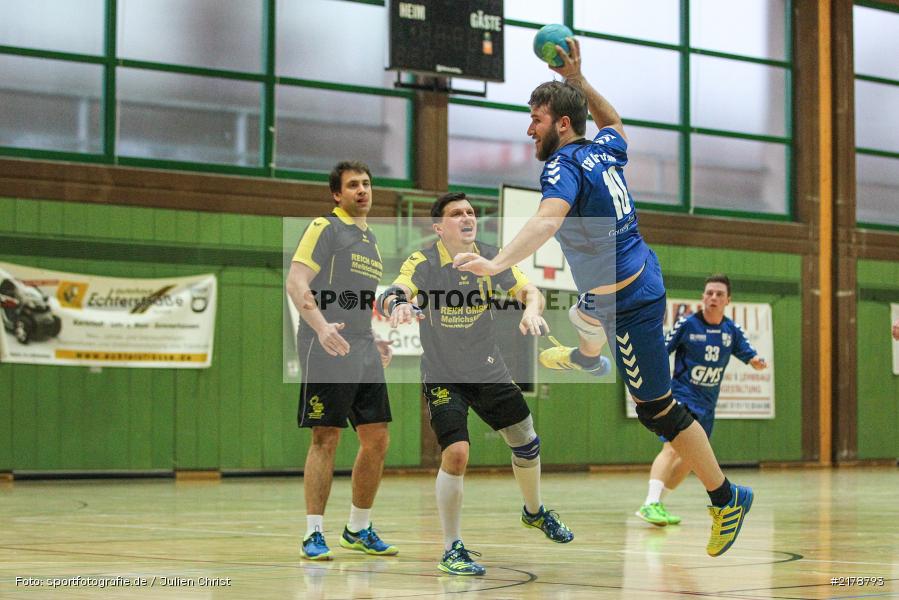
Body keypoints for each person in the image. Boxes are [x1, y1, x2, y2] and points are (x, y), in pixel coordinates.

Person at [452, 37, 753, 557]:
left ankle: (727, 497)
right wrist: (579, 80)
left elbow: (548, 219)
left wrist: (498, 262)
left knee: (657, 411)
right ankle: (589, 358)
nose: (530, 129)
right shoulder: (601, 148)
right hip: (632, 277)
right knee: (582, 308)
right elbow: (615, 123)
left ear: (562, 125)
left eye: (537, 120)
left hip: (627, 303)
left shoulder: (561, 166)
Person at [379, 192, 574, 576]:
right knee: (456, 453)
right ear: (439, 227)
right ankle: (452, 549)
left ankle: (534, 512)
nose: (467, 217)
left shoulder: (490, 256)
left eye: (470, 212)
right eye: (456, 214)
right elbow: (394, 291)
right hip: (443, 374)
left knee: (526, 441)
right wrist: (399, 305)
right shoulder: (424, 261)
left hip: (487, 369)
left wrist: (531, 311)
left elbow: (528, 291)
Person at [286, 160, 398, 561]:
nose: (362, 190)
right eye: (353, 185)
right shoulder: (324, 228)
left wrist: (375, 339)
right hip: (326, 342)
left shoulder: (370, 241)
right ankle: (313, 533)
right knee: (326, 436)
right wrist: (320, 327)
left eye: (367, 184)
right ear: (337, 194)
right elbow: (296, 282)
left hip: (362, 344)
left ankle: (358, 528)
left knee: (377, 437)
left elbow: (358, 299)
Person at [636, 274, 767, 526]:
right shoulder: (687, 324)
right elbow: (662, 350)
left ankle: (658, 503)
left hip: (707, 405)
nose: (713, 298)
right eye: (709, 293)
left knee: (690, 461)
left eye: (719, 294)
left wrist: (756, 362)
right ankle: (650, 503)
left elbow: (748, 354)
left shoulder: (731, 330)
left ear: (728, 300)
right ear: (702, 297)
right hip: (682, 397)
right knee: (672, 447)